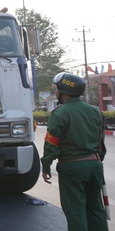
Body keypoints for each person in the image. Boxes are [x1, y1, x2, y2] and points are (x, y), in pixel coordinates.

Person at [41, 72, 108, 231]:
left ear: (63, 90)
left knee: (75, 211)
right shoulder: (95, 111)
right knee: (96, 209)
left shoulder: (60, 113)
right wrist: (96, 162)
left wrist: (46, 166)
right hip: (95, 165)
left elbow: (51, 145)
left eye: (57, 88)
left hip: (72, 168)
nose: (55, 91)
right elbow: (101, 143)